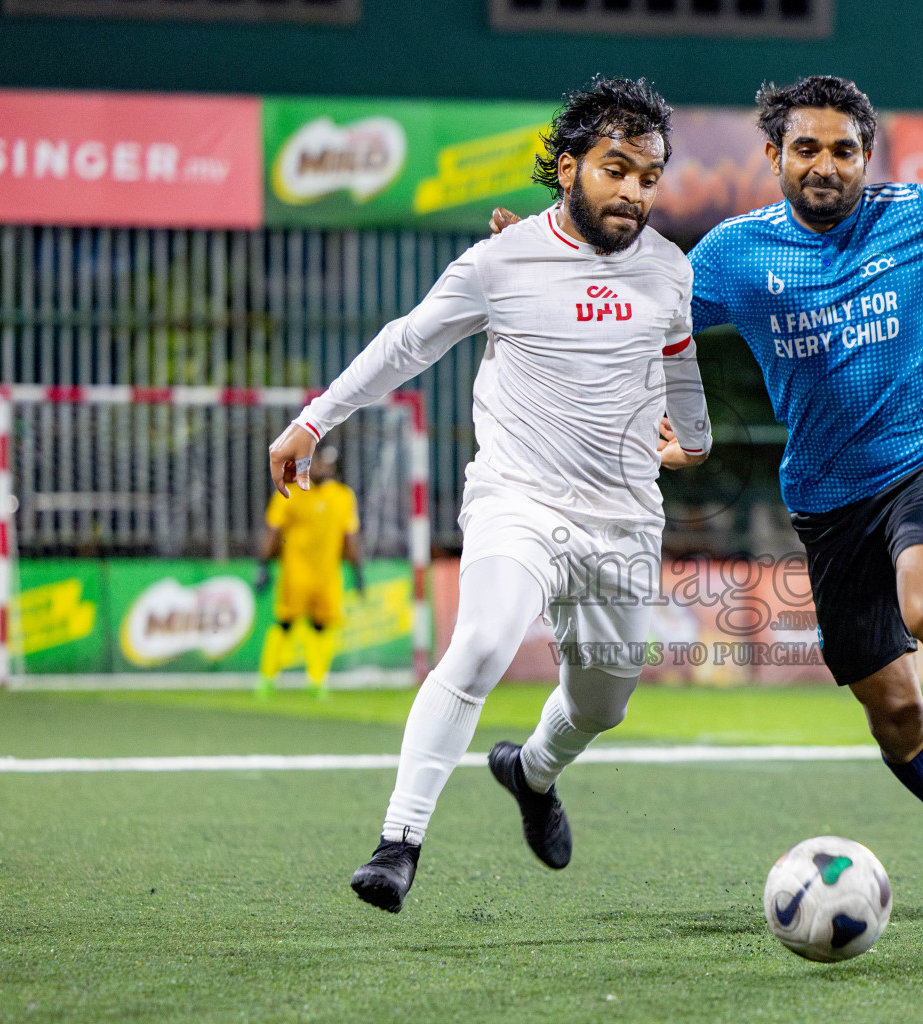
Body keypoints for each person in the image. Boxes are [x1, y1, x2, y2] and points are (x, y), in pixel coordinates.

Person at [499, 75, 923, 919]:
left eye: (843, 150)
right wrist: (540, 262)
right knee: (895, 717)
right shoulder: (732, 256)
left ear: (869, 156)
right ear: (774, 157)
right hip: (826, 503)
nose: (825, 167)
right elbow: (635, 306)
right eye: (806, 150)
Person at [267, 77, 711, 915]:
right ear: (569, 167)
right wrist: (313, 423)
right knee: (478, 644)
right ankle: (397, 843)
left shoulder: (668, 269)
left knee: (603, 705)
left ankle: (531, 772)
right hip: (520, 500)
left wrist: (693, 436)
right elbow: (405, 345)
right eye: (616, 170)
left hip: (623, 520)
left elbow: (680, 366)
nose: (634, 192)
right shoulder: (499, 261)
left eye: (649, 177)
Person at [253, 445, 364, 698]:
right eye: (321, 463)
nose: (326, 468)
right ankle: (266, 679)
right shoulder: (290, 492)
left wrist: (358, 571)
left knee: (322, 627)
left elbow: (351, 536)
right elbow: (273, 530)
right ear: (309, 464)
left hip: (327, 575)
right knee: (285, 624)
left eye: (330, 464)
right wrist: (263, 564)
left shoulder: (343, 496)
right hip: (296, 573)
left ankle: (317, 680)